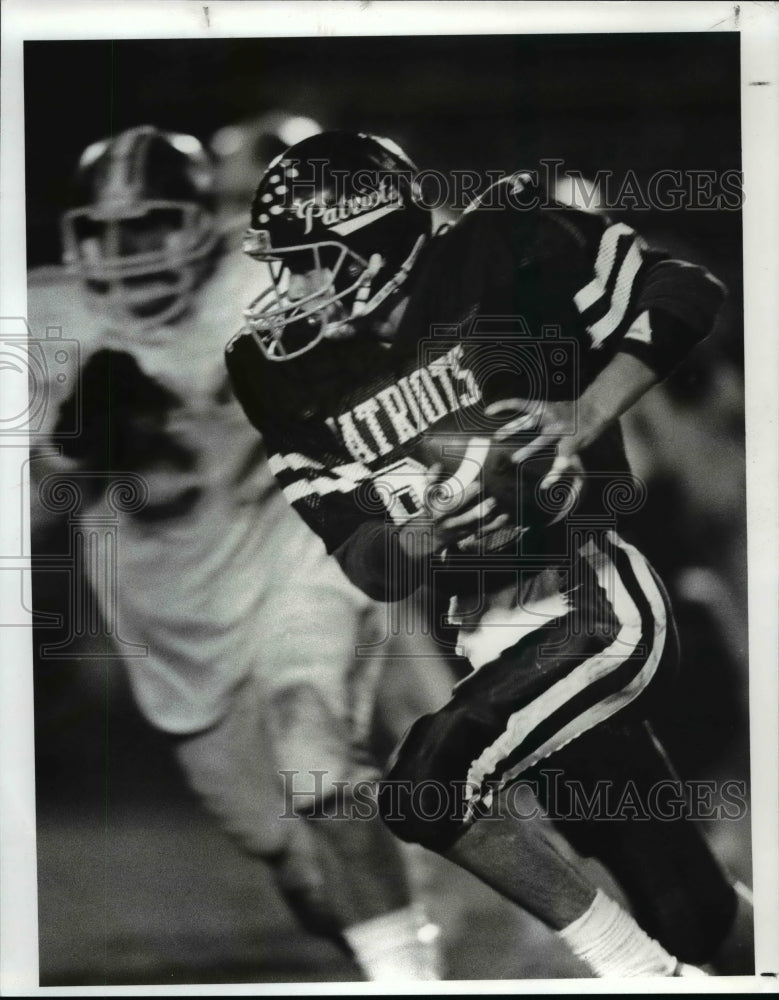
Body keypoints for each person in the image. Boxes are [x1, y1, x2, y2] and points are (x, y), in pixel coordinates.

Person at [225, 129, 753, 977]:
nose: (293, 288)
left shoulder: (498, 246)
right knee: (692, 910)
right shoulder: (283, 372)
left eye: (313, 260)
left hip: (590, 597)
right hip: (486, 633)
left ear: (375, 239)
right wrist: (432, 532)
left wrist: (583, 414)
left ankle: (640, 976)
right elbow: (369, 564)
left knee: (427, 784)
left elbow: (686, 288)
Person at [28, 125, 454, 981]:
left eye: (150, 226)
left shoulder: (265, 281)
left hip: (293, 551)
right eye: (107, 232)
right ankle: (394, 927)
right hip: (175, 623)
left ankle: (410, 973)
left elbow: (422, 261)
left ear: (201, 222)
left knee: (317, 761)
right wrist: (77, 451)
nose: (127, 252)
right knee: (294, 864)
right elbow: (33, 515)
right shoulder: (41, 318)